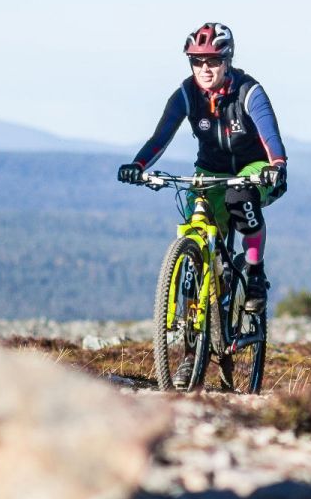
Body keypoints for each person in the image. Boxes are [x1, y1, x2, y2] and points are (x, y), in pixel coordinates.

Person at [118, 22, 288, 313]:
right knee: (196, 220)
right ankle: (201, 305)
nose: (204, 68)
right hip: (210, 171)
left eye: (213, 61)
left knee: (240, 198)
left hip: (254, 168)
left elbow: (270, 134)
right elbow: (160, 137)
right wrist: (138, 165)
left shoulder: (249, 92)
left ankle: (255, 273)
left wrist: (277, 164)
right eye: (197, 61)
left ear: (227, 61)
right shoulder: (186, 94)